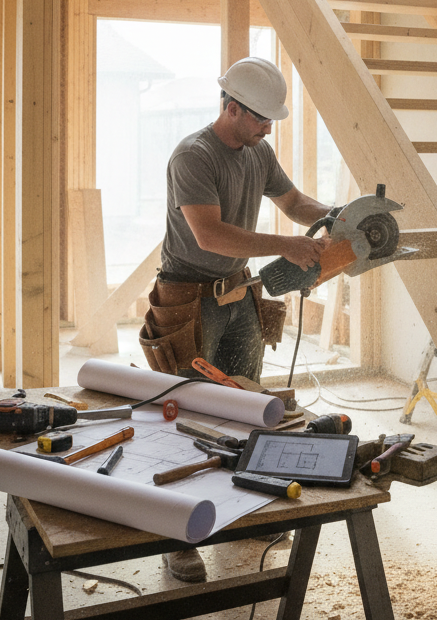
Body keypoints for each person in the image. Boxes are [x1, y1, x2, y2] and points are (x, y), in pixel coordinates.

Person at [143, 56, 334, 581]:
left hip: (237, 293)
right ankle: (177, 536)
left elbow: (294, 202)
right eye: (261, 119)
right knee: (182, 416)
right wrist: (289, 248)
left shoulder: (258, 152)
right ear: (232, 107)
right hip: (189, 298)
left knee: (246, 406)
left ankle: (243, 511)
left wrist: (334, 220)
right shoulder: (194, 157)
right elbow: (210, 235)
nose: (268, 128)